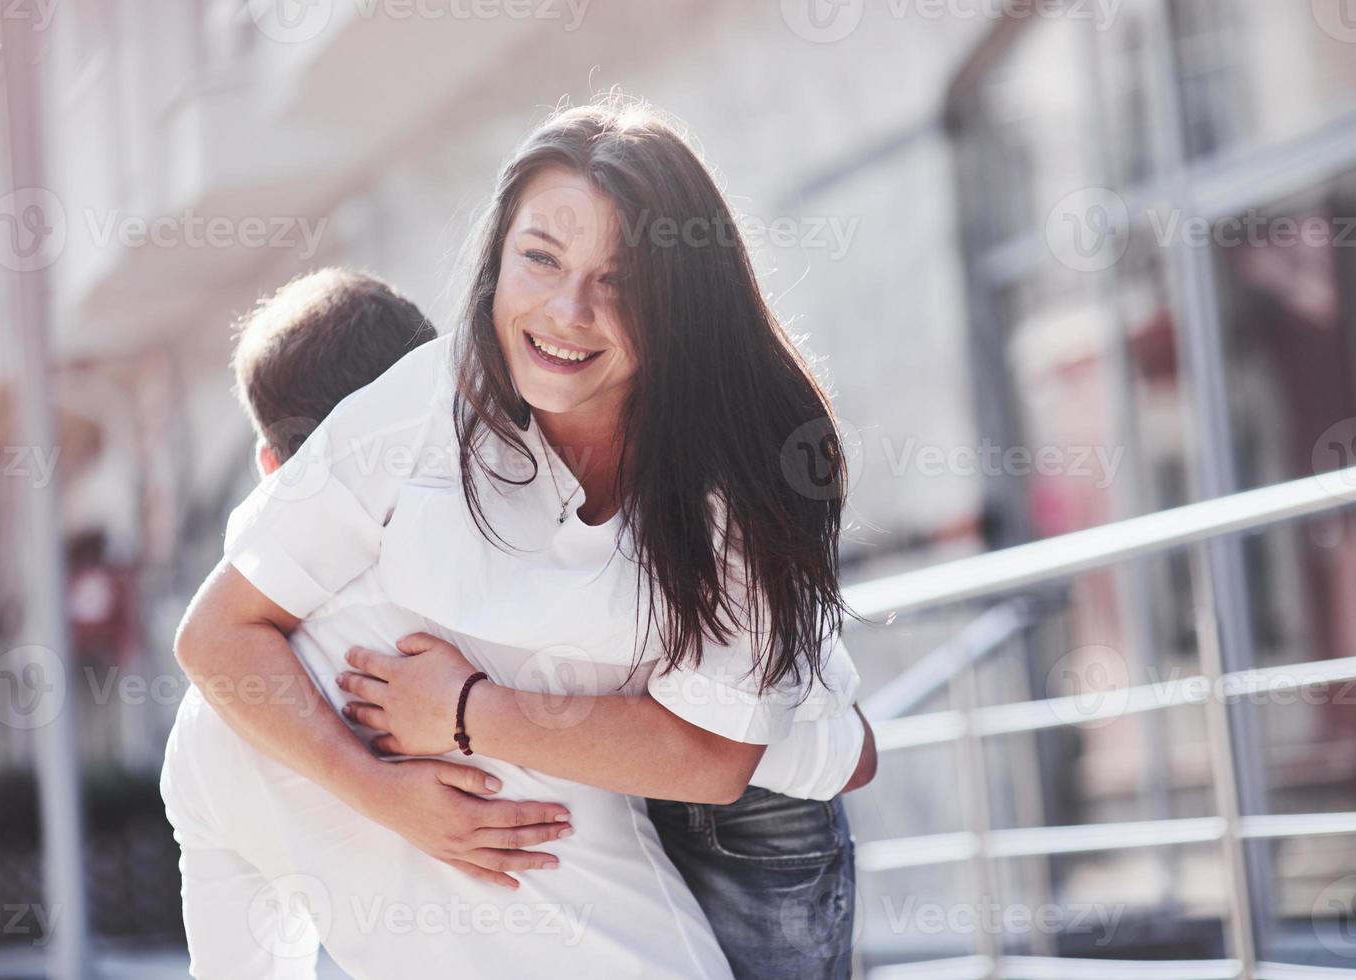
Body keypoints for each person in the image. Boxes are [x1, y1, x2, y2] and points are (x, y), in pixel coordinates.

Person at [168, 97, 875, 979]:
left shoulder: (744, 459)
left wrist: (464, 712)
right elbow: (216, 631)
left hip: (745, 803)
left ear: (681, 300)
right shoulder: (424, 405)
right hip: (589, 765)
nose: (567, 311)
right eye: (539, 260)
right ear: (497, 260)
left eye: (619, 282)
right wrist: (385, 793)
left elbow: (714, 757)